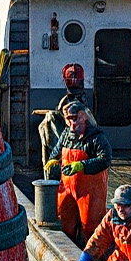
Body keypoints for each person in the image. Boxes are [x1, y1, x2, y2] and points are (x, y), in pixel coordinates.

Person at [45, 100, 111, 246]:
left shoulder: (97, 138)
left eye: (75, 118)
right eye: (69, 119)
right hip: (67, 188)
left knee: (90, 226)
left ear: (84, 117)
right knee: (64, 221)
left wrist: (82, 165)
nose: (72, 123)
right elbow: (56, 151)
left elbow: (105, 159)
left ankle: (96, 258)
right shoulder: (66, 135)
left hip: (90, 192)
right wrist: (53, 161)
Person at [37, 63, 93, 162]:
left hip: (78, 147)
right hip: (72, 146)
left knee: (49, 120)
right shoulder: (73, 101)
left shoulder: (80, 107)